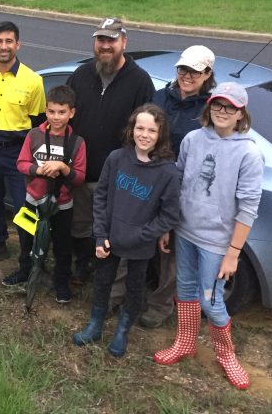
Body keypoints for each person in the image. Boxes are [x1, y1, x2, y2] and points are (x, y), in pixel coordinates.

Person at [154, 82, 263, 390]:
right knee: (186, 291)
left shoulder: (248, 153)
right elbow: (179, 183)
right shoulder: (192, 139)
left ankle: (226, 354)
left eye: (229, 107)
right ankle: (185, 342)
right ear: (209, 107)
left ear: (241, 112)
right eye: (217, 105)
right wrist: (167, 226)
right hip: (185, 231)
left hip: (217, 242)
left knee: (211, 299)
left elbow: (248, 208)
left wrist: (233, 253)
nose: (222, 111)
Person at [73, 104, 180, 357]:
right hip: (108, 240)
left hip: (139, 246)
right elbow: (100, 197)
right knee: (102, 282)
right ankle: (95, 325)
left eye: (152, 130)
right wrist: (100, 234)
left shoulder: (167, 172)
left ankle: (122, 331)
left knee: (134, 288)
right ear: (131, 130)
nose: (144, 135)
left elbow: (169, 215)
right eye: (139, 128)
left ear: (160, 134)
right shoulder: (117, 158)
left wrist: (141, 236)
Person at [66, 18, 154, 283]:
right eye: (101, 40)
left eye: (111, 40)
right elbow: (63, 117)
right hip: (81, 174)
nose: (105, 45)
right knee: (80, 227)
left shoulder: (140, 82)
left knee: (109, 231)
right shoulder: (80, 75)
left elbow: (147, 133)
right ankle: (82, 267)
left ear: (123, 43)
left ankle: (107, 278)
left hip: (118, 178)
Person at [138, 45, 216, 328]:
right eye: (183, 69)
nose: (187, 75)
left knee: (169, 249)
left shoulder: (210, 109)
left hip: (182, 188)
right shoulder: (160, 97)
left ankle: (160, 306)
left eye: (195, 71)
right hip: (147, 180)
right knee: (141, 237)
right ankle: (132, 293)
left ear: (207, 73)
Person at [0, 21, 46, 266]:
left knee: (23, 205)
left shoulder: (33, 81)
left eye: (9, 41)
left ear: (18, 44)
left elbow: (38, 122)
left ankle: (29, 255)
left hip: (19, 150)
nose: (3, 47)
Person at [14, 85, 87, 301]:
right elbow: (21, 163)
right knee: (27, 239)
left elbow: (80, 177)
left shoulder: (77, 142)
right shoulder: (34, 135)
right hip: (32, 200)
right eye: (52, 111)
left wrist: (64, 168)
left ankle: (61, 282)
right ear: (46, 111)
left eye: (62, 112)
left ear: (71, 113)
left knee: (63, 246)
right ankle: (25, 271)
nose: (56, 117)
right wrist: (38, 170)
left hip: (62, 205)